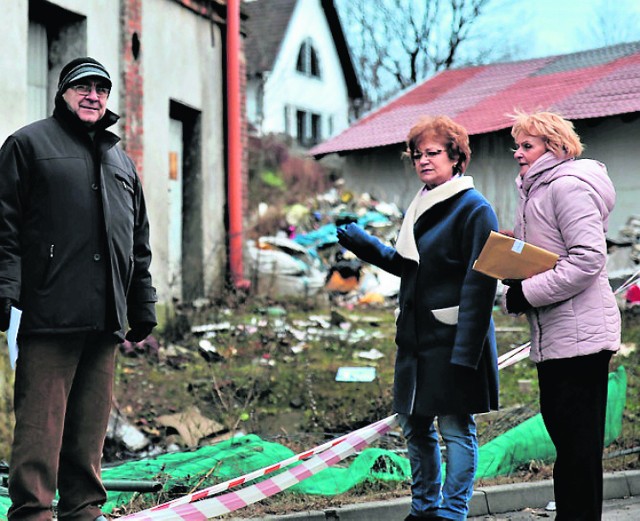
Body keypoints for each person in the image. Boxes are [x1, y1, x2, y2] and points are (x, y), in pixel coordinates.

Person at [0, 57, 157, 520]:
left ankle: (83, 510)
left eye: (102, 89)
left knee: (90, 427)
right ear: (63, 93)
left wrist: (141, 303)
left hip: (104, 318)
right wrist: (6, 290)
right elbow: (3, 227)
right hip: (47, 313)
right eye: (83, 87)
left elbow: (138, 243)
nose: (93, 95)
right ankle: (32, 512)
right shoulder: (28, 145)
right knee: (40, 426)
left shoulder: (121, 162)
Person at [337, 115, 499, 521]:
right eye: (417, 155)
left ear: (456, 158)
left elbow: (480, 285)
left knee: (456, 430)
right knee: (416, 427)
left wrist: (467, 353)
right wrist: (365, 245)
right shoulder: (422, 202)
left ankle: (451, 512)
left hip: (454, 337)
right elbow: (412, 267)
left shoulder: (473, 208)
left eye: (433, 153)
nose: (424, 161)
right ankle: (424, 510)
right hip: (415, 338)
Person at [504, 110, 621, 520]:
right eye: (517, 145)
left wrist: (527, 294)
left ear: (554, 148)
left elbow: (588, 259)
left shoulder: (567, 187)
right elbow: (547, 257)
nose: (517, 153)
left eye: (527, 145)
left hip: (581, 338)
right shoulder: (535, 190)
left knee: (577, 447)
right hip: (558, 335)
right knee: (571, 445)